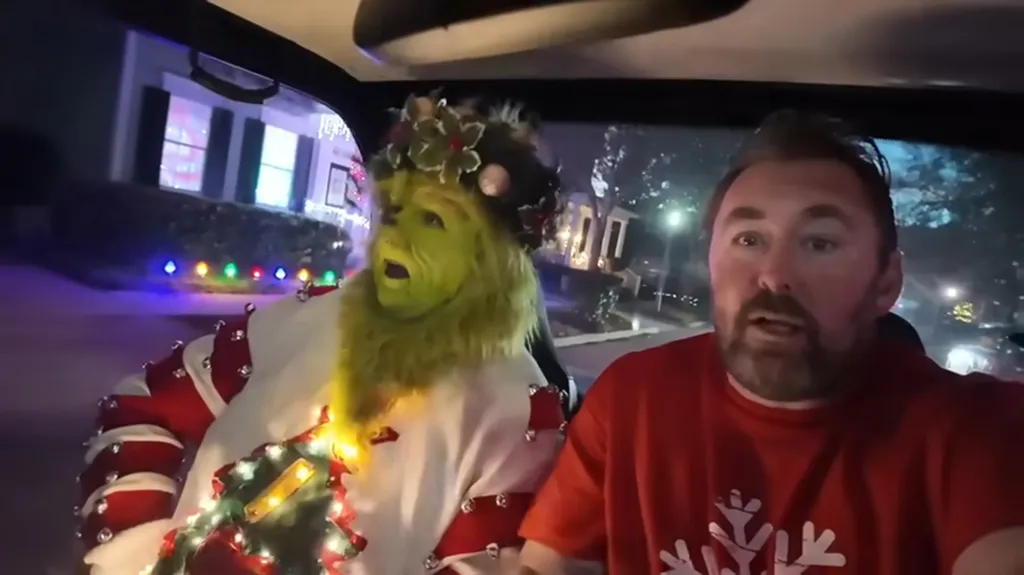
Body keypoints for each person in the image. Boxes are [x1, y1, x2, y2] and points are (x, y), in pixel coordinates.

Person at [75, 94, 569, 575]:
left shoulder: (516, 403)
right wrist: (130, 550)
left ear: (493, 257)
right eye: (395, 214)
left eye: (433, 221)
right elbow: (143, 406)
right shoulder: (305, 319)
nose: (393, 238)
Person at [516, 110, 1024, 575]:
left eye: (819, 243)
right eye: (749, 240)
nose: (774, 276)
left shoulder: (973, 428)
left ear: (886, 282)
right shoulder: (629, 399)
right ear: (711, 261)